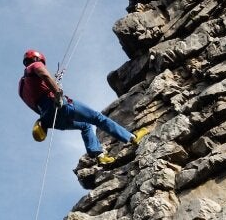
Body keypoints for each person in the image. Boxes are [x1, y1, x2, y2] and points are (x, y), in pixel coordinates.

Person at [18, 49, 147, 164]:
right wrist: (57, 93)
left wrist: (47, 114)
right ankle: (132, 138)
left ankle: (99, 155)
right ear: (36, 59)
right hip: (60, 106)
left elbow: (34, 106)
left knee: (85, 126)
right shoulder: (35, 65)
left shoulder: (22, 87)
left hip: (49, 120)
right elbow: (44, 74)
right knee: (97, 118)